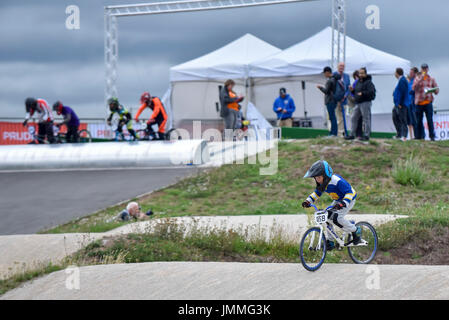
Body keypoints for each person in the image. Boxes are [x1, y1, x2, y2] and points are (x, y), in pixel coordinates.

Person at [302, 160, 361, 249]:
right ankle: (330, 242)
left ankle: (355, 230)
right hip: (338, 200)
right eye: (315, 178)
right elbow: (317, 193)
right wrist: (308, 201)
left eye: (318, 177)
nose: (317, 180)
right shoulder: (322, 183)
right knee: (326, 216)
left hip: (349, 199)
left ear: (325, 176)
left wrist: (344, 203)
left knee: (337, 218)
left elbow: (349, 192)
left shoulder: (336, 181)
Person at [345, 67, 376, 141]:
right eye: (360, 73)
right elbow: (356, 92)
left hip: (365, 102)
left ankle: (366, 135)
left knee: (366, 119)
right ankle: (352, 134)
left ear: (365, 74)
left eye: (362, 73)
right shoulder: (358, 82)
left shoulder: (369, 82)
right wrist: (352, 91)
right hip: (358, 103)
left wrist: (363, 93)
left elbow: (372, 92)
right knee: (353, 117)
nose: (361, 74)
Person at [413, 63, 439, 141]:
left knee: (429, 120)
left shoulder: (431, 79)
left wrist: (435, 90)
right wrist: (420, 79)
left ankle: (432, 136)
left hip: (428, 102)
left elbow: (436, 90)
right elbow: (413, 88)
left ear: (427, 69)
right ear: (421, 69)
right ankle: (418, 136)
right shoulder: (417, 78)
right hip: (419, 103)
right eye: (423, 69)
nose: (424, 70)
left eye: (425, 69)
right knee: (418, 121)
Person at [317, 66, 340, 137]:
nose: (324, 74)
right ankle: (333, 133)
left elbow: (326, 91)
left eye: (324, 73)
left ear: (327, 72)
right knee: (332, 117)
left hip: (330, 101)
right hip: (334, 100)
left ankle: (333, 133)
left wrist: (320, 88)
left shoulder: (330, 80)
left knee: (332, 117)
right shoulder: (335, 79)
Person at [333, 62, 351, 137]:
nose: (341, 67)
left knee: (342, 117)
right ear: (337, 67)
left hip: (344, 100)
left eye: (343, 66)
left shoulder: (346, 76)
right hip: (335, 100)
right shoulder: (334, 75)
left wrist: (345, 96)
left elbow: (348, 88)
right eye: (340, 66)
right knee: (336, 116)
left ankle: (342, 132)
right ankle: (336, 132)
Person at [392, 68, 409, 141]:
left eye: (395, 72)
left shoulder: (402, 80)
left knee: (403, 119)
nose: (394, 74)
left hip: (401, 104)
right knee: (395, 117)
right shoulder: (399, 80)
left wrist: (400, 103)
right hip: (396, 104)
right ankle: (399, 134)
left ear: (397, 73)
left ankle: (404, 136)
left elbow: (403, 92)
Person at [407, 67, 419, 139]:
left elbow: (415, 91)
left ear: (414, 73)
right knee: (411, 121)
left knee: (416, 120)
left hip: (415, 103)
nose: (410, 74)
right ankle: (413, 136)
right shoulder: (410, 81)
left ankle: (418, 136)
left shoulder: (416, 80)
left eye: (411, 73)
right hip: (409, 103)